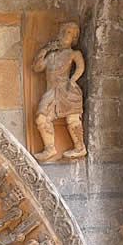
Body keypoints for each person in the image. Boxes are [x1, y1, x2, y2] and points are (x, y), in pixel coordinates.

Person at [32, 22, 87, 162]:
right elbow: (37, 67)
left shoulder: (74, 53)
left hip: (67, 89)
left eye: (69, 33)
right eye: (64, 31)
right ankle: (50, 149)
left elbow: (80, 67)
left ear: (74, 38)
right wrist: (45, 50)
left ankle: (80, 147)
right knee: (41, 118)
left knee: (72, 118)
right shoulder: (52, 55)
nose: (64, 35)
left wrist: (73, 80)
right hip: (52, 91)